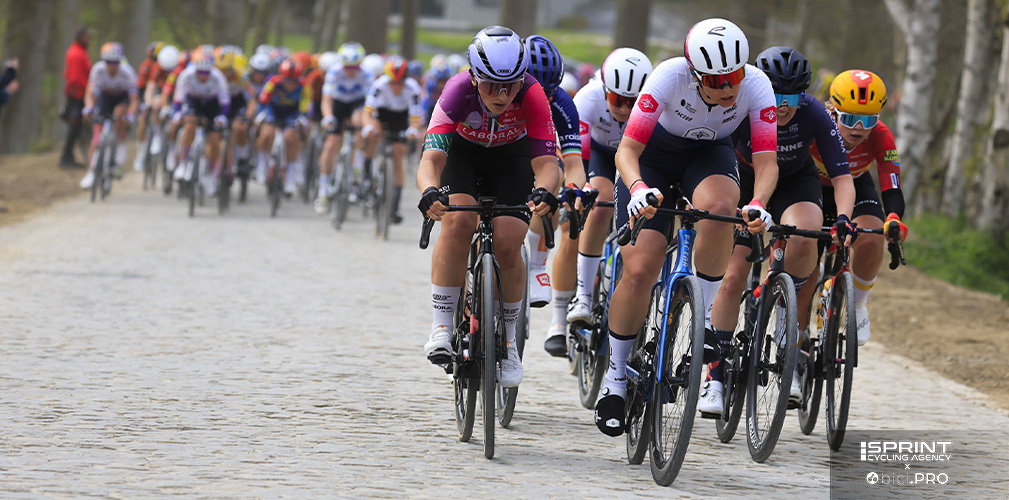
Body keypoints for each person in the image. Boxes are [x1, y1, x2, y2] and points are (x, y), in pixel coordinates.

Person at [593, 18, 777, 436]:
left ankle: (707, 324)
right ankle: (616, 376)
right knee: (640, 269)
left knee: (721, 207)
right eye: (717, 79)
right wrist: (637, 188)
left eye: (734, 76)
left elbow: (767, 163)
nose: (729, 87)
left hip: (708, 155)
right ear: (694, 73)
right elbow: (628, 149)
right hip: (653, 158)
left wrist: (759, 203)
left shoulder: (756, 85)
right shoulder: (667, 78)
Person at [701, 46, 856, 416]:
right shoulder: (741, 104)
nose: (784, 106)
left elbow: (842, 177)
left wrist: (845, 218)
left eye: (793, 97)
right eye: (776, 95)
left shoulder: (814, 112)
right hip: (746, 179)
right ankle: (715, 373)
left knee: (807, 233)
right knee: (733, 274)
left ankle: (787, 329)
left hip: (792, 182)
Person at [417, 26, 560, 388]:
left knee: (511, 239)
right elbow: (432, 157)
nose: (502, 93)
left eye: (510, 84)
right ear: (474, 76)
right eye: (492, 84)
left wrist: (544, 190)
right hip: (463, 157)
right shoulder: (456, 91)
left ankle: (509, 342)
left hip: (511, 160)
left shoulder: (532, 93)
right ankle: (441, 326)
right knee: (458, 222)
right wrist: (430, 190)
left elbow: (546, 163)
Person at [801, 69, 908, 346]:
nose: (858, 128)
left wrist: (894, 217)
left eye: (868, 120)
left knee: (872, 238)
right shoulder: (815, 124)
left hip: (857, 185)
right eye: (849, 119)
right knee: (807, 259)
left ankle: (858, 305)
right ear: (832, 112)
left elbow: (891, 183)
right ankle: (796, 342)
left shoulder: (881, 136)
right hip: (812, 185)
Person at [565, 48, 653, 344]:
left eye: (634, 102)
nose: (626, 109)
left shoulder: (656, 102)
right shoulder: (587, 99)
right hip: (598, 156)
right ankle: (583, 296)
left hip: (637, 158)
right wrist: (581, 190)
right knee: (600, 202)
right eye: (618, 100)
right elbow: (579, 157)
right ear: (605, 90)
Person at [523, 34, 586, 355]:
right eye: (535, 89)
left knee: (557, 180)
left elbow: (574, 163)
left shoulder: (561, 103)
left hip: (539, 160)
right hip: (496, 155)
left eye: (549, 91)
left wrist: (575, 189)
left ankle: (536, 263)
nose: (542, 98)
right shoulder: (499, 90)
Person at [360, 56, 423, 224]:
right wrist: (367, 127)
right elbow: (367, 112)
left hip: (401, 118)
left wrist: (412, 130)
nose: (396, 87)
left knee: (398, 153)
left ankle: (395, 205)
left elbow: (416, 117)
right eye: (393, 83)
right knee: (374, 133)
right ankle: (366, 174)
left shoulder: (412, 88)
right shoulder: (379, 85)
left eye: (399, 83)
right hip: (382, 113)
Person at [314, 42, 373, 213]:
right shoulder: (334, 72)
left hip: (356, 104)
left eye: (355, 66)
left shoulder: (367, 74)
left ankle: (356, 170)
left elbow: (369, 104)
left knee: (359, 122)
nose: (351, 70)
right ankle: (323, 190)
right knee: (331, 143)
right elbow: (327, 99)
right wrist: (328, 117)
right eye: (347, 66)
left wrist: (365, 124)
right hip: (337, 104)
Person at [170, 49, 231, 195]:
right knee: (189, 124)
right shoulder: (186, 75)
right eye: (200, 72)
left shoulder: (218, 77)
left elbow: (225, 101)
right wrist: (177, 114)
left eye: (206, 72)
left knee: (215, 140)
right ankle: (183, 164)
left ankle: (210, 174)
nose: (203, 76)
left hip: (212, 104)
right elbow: (178, 97)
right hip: (193, 102)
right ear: (195, 68)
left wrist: (222, 117)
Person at [79, 42, 139, 190]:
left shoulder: (127, 73)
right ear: (104, 61)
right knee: (97, 135)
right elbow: (90, 92)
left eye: (115, 62)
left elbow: (134, 100)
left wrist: (130, 115)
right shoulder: (98, 70)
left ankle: (119, 149)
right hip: (105, 98)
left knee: (119, 114)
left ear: (120, 61)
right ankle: (91, 172)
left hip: (122, 98)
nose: (112, 65)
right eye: (108, 62)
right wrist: (89, 107)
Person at [255, 58, 310, 194]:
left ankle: (290, 176)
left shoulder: (304, 86)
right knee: (267, 134)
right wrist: (261, 114)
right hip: (273, 110)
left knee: (291, 138)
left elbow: (306, 107)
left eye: (293, 82)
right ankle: (263, 164)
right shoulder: (272, 82)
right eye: (287, 81)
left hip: (292, 112)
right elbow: (263, 100)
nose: (290, 85)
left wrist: (302, 118)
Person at [60, 27, 92, 168]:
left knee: (77, 128)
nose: (89, 40)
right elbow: (74, 78)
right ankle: (66, 158)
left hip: (80, 94)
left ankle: (70, 156)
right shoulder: (77, 54)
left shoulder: (79, 52)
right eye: (87, 37)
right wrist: (89, 90)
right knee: (74, 127)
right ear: (81, 37)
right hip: (78, 95)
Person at [133, 41, 165, 172]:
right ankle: (140, 153)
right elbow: (141, 85)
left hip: (161, 95)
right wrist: (143, 102)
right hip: (146, 94)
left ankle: (161, 141)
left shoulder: (166, 66)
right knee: (142, 119)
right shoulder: (145, 66)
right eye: (153, 58)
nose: (154, 61)